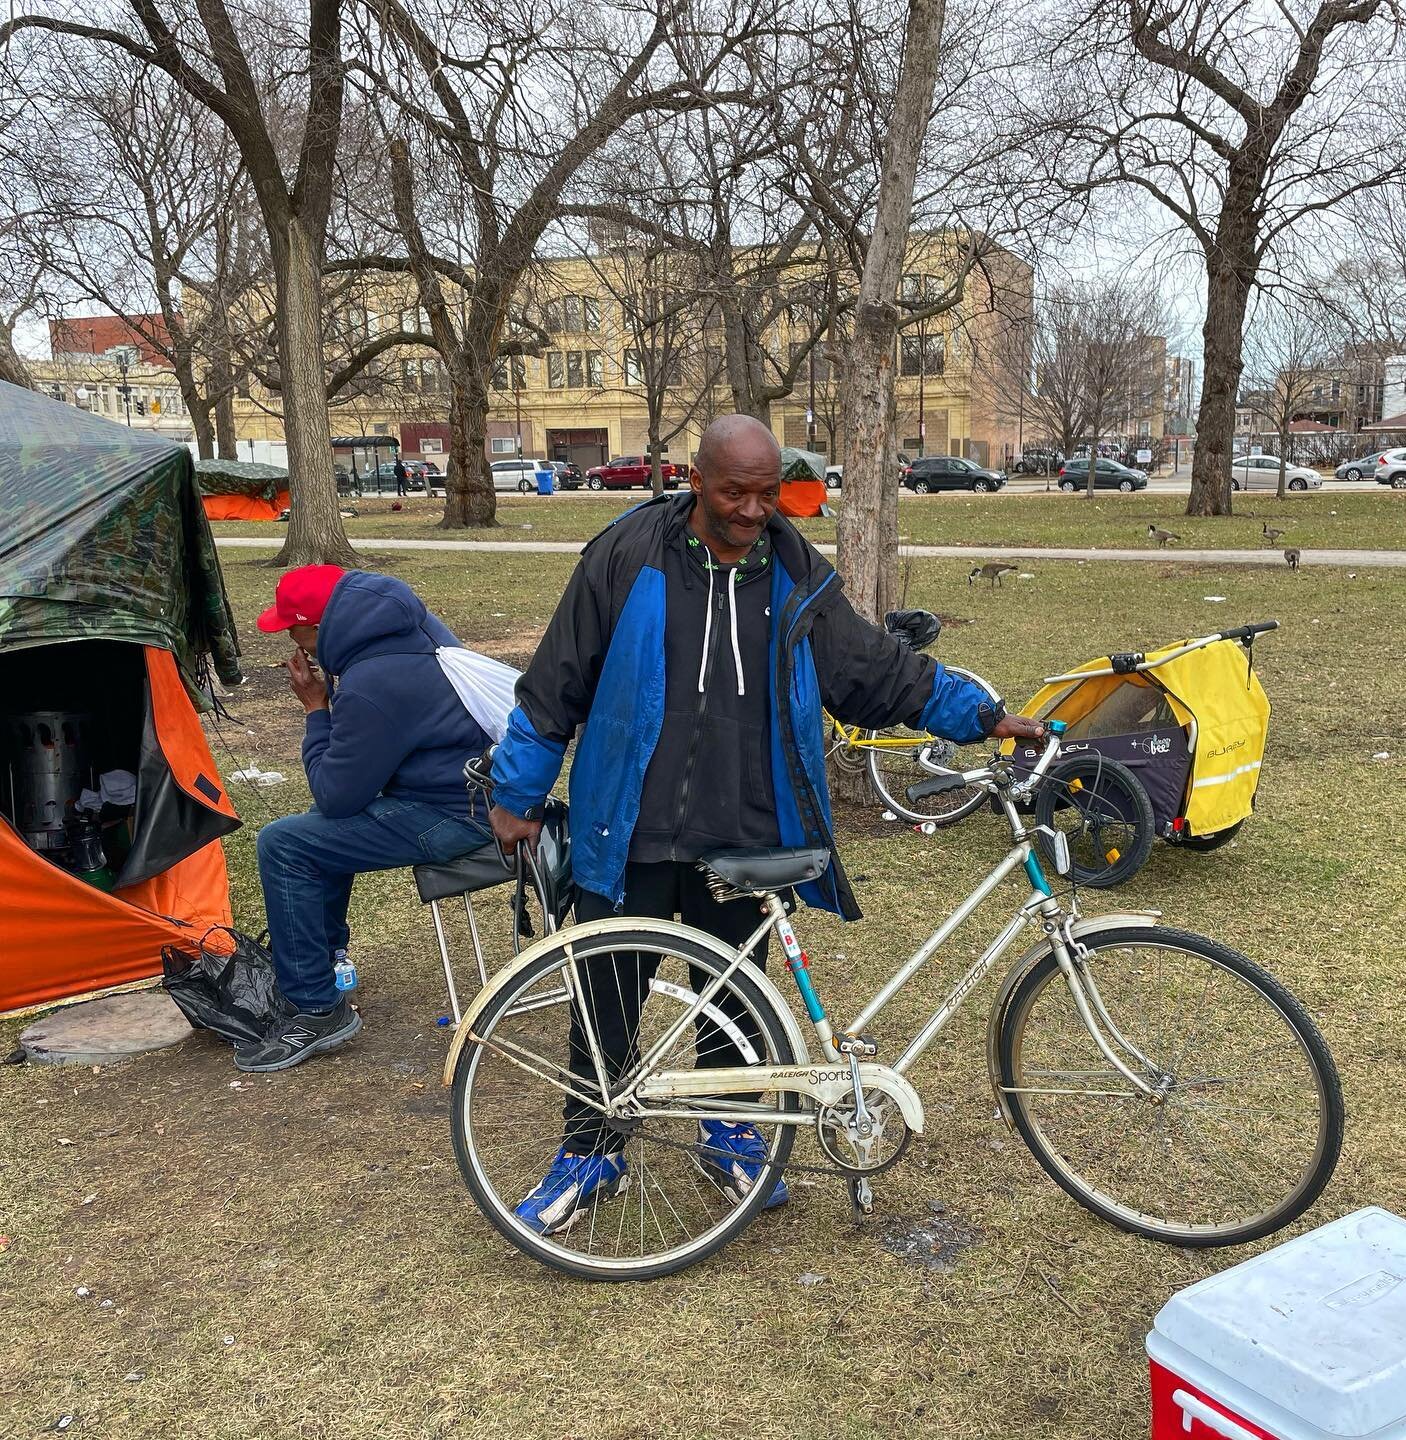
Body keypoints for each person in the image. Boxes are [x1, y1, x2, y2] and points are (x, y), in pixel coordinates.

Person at [484, 413, 1047, 1234]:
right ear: (695, 482)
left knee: (738, 996)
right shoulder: (626, 557)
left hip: (745, 827)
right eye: (734, 493)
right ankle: (591, 1149)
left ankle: (730, 1129)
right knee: (607, 992)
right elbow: (555, 682)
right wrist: (517, 794)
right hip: (627, 824)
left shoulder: (793, 573)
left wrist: (983, 717)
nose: (752, 511)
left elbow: (872, 671)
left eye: (766, 493)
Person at [238, 565, 494, 1073]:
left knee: (284, 844)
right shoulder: (407, 626)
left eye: (294, 629)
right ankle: (324, 961)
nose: (292, 641)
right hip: (476, 792)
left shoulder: (371, 682)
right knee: (310, 834)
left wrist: (316, 710)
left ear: (318, 626)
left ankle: (315, 1008)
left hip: (454, 814)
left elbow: (337, 794)